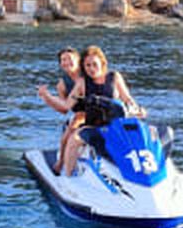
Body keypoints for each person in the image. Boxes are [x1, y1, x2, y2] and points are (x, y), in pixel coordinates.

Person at [62, 45, 145, 177]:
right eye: (87, 65)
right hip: (94, 127)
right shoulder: (83, 82)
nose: (91, 69)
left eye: (94, 64)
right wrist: (67, 98)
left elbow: (127, 99)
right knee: (74, 140)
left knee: (146, 134)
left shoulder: (114, 77)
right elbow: (67, 104)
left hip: (117, 127)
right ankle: (68, 175)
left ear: (102, 63)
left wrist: (136, 109)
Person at [37, 47, 83, 175]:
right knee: (65, 139)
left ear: (78, 60)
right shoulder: (62, 85)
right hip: (78, 117)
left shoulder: (87, 76)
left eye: (70, 59)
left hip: (93, 114)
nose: (67, 62)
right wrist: (46, 98)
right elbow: (64, 109)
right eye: (63, 60)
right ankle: (61, 163)